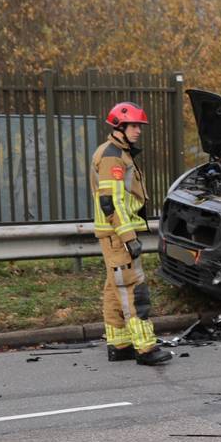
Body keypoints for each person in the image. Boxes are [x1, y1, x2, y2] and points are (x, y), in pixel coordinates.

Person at [91, 102, 172, 366]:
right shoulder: (113, 156)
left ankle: (120, 344)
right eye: (134, 126)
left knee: (115, 290)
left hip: (114, 233)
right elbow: (110, 202)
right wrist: (129, 237)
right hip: (118, 235)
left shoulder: (119, 153)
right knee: (134, 289)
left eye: (139, 126)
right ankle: (145, 349)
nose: (138, 130)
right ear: (119, 127)